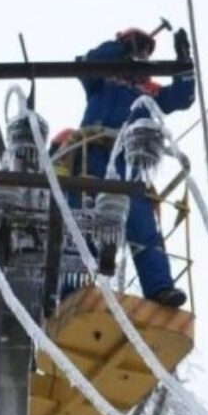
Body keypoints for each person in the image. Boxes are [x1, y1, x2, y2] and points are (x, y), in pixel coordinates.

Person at [73, 26, 194, 308]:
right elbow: (88, 63)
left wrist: (184, 61)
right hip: (93, 151)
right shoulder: (104, 79)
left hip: (129, 160)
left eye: (145, 48)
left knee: (142, 223)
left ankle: (160, 288)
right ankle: (73, 288)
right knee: (85, 219)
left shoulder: (148, 90)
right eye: (137, 47)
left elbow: (183, 97)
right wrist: (121, 48)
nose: (141, 54)